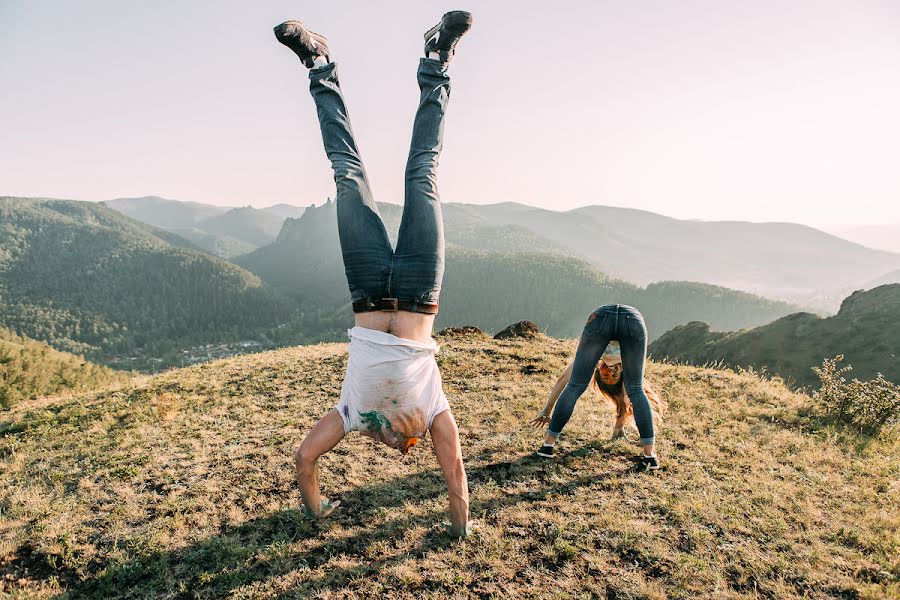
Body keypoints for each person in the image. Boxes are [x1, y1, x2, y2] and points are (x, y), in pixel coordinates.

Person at [273, 11, 475, 537]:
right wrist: (459, 529)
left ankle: (318, 64)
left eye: (404, 448)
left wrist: (318, 513)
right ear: (416, 444)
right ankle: (438, 59)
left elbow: (305, 460)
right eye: (413, 449)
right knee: (423, 175)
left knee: (346, 177)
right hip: (419, 291)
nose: (407, 447)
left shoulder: (352, 414)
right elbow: (454, 471)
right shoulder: (432, 413)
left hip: (365, 288)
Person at [529, 304, 665, 470]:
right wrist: (619, 426)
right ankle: (650, 456)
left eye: (606, 376)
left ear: (598, 373)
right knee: (635, 390)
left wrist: (547, 411)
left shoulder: (597, 360)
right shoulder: (626, 367)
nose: (609, 372)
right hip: (632, 320)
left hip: (601, 318)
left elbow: (564, 380)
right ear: (621, 373)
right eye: (613, 375)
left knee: (575, 386)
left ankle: (547, 446)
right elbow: (627, 398)